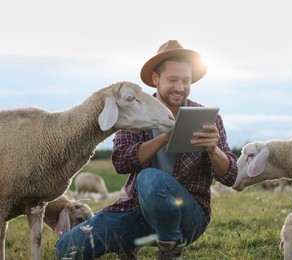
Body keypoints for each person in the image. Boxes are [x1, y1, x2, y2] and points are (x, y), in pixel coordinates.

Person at [55, 40, 237, 260]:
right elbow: (121, 162)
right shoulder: (135, 114)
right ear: (155, 79)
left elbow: (230, 176)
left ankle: (170, 249)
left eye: (186, 81)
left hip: (187, 216)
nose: (180, 87)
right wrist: (163, 138)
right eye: (172, 80)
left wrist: (213, 149)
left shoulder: (208, 119)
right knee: (67, 249)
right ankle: (128, 243)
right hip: (136, 210)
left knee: (150, 178)